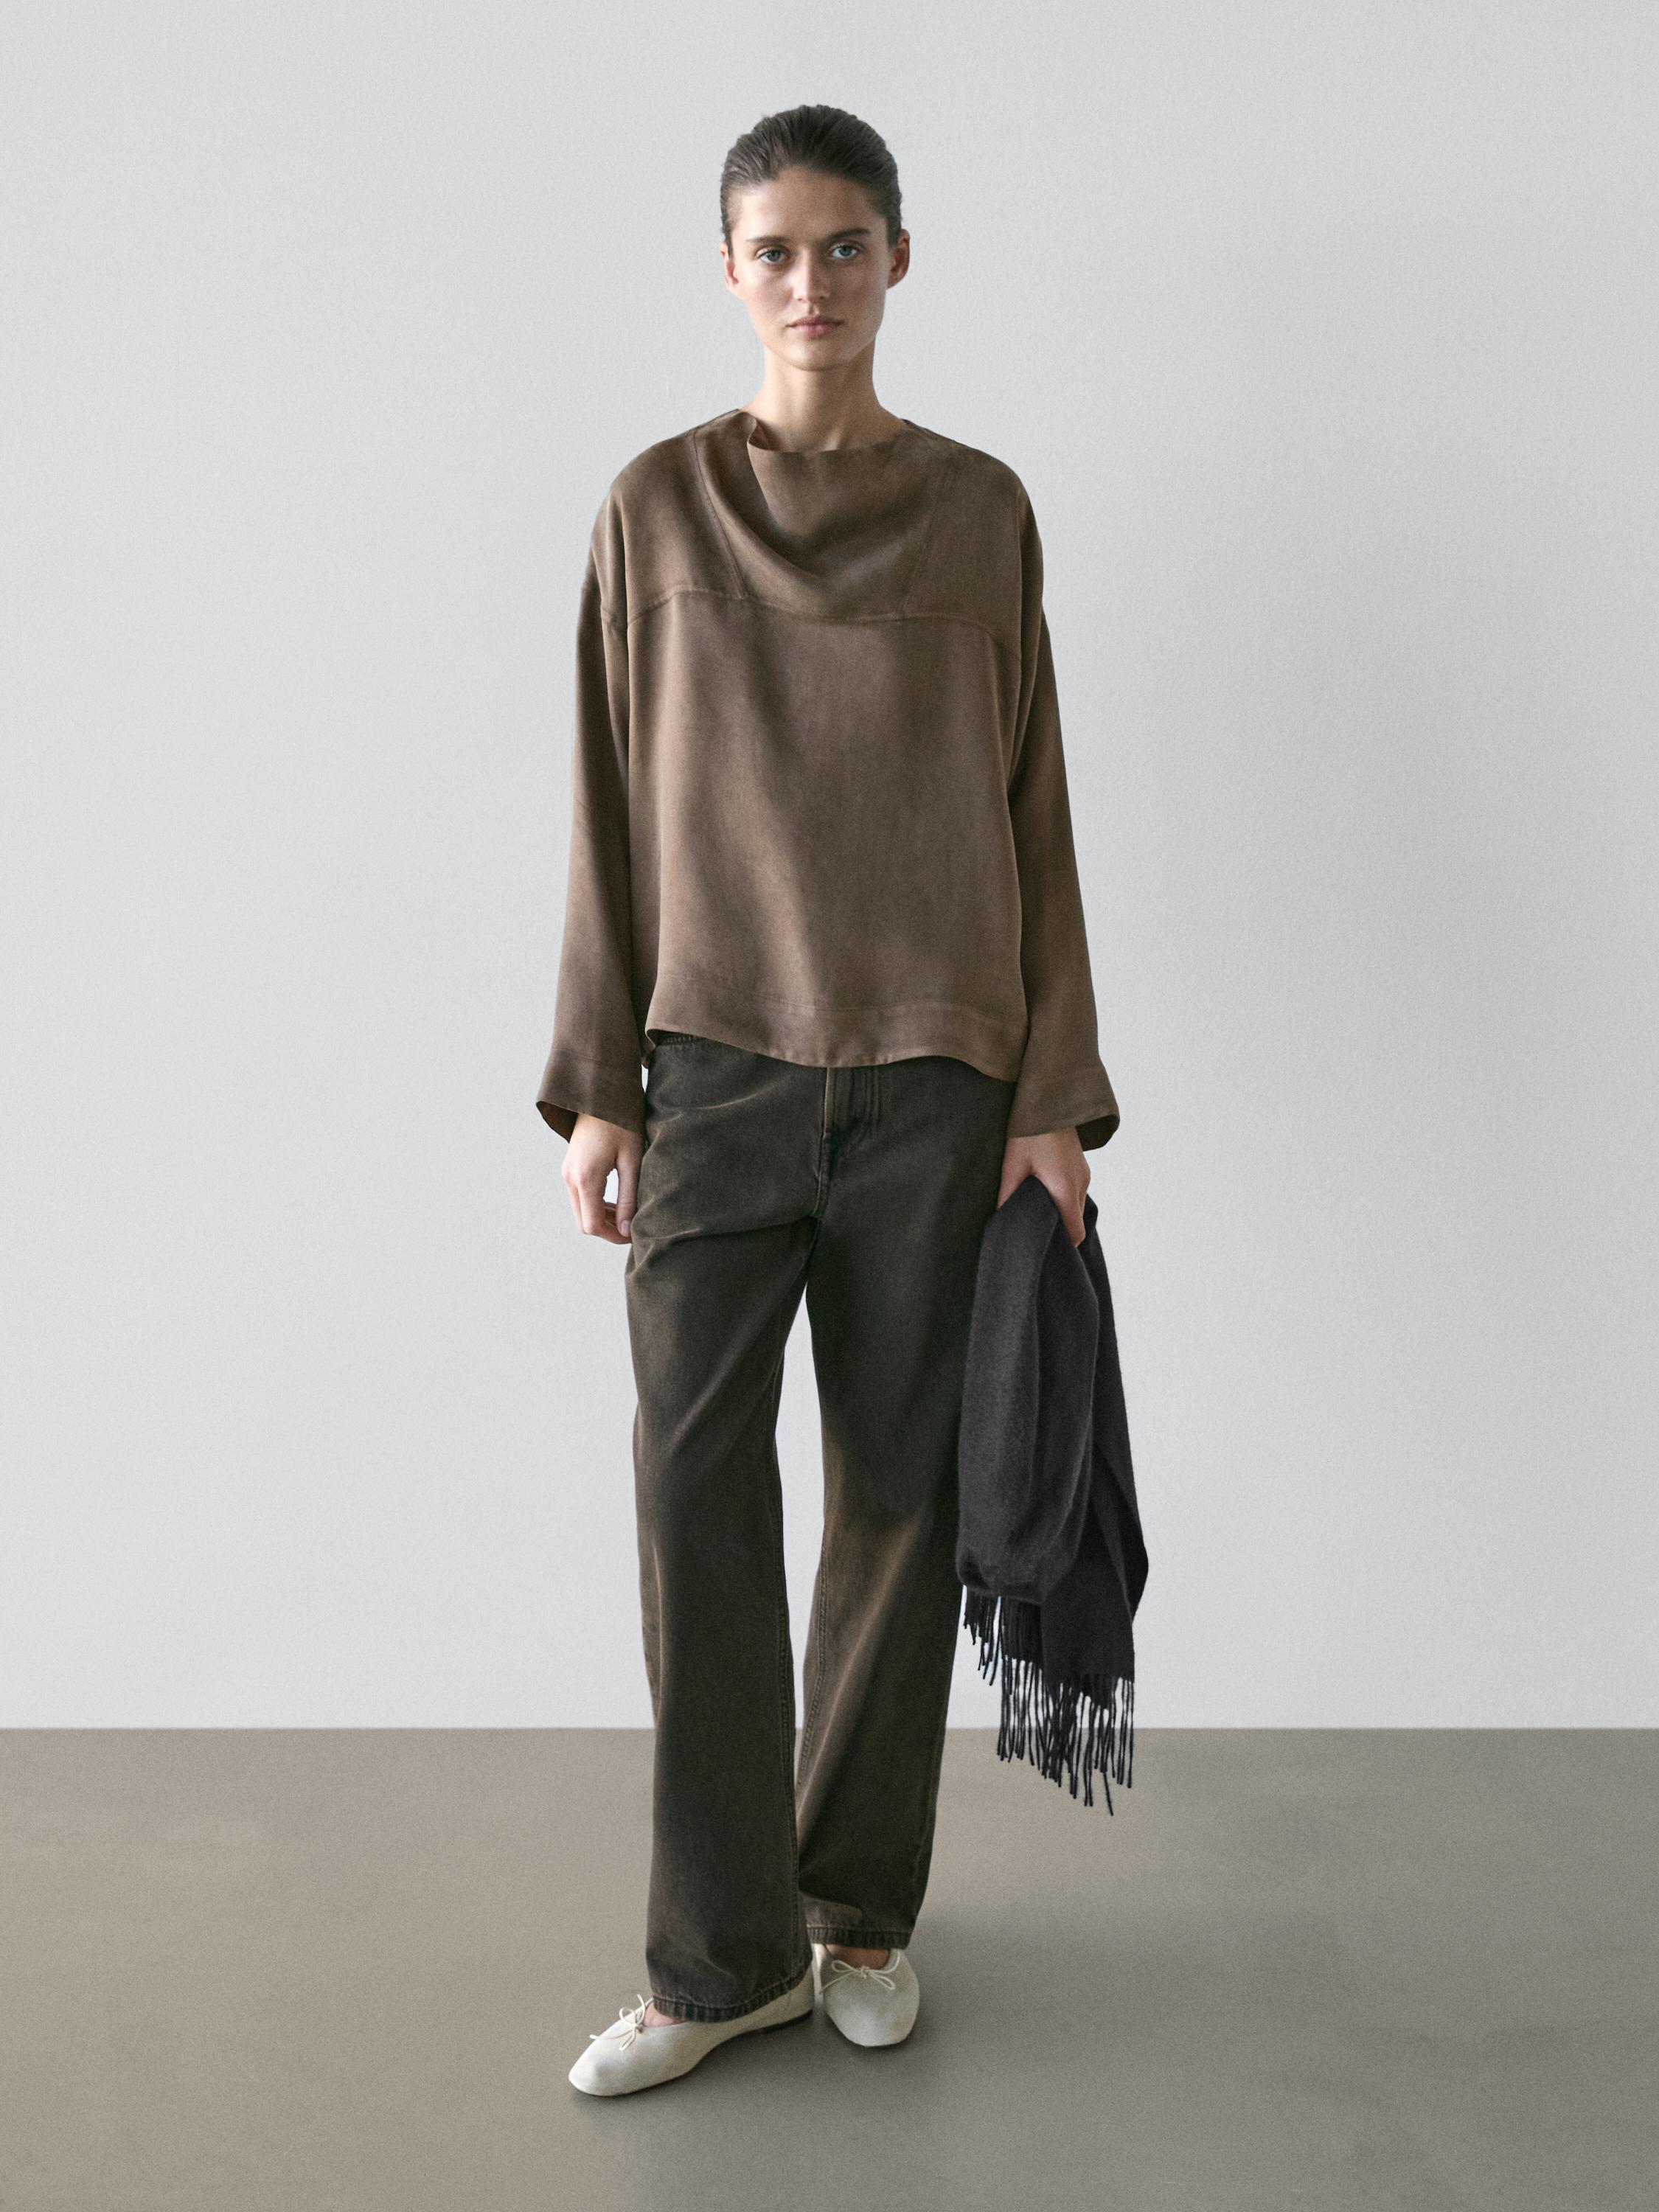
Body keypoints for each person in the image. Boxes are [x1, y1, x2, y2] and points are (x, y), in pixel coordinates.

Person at [535, 103, 1121, 2097]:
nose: (812, 281)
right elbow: (606, 806)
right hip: (712, 1070)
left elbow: (1033, 807)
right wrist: (597, 1083)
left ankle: (856, 1912)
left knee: (894, 1494)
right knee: (694, 1497)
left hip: (940, 1078)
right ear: (729, 271)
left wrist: (1051, 1095)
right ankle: (718, 1964)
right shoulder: (655, 510)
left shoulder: (980, 513)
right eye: (775, 249)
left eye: (845, 244)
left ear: (897, 260)